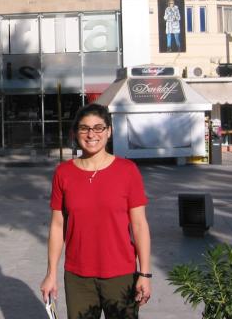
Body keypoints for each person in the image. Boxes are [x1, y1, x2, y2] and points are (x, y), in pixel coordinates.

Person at [40, 103, 151, 319]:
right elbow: (57, 225)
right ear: (75, 133)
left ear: (109, 131)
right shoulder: (63, 173)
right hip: (78, 277)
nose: (91, 134)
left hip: (121, 274)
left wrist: (145, 273)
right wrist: (51, 274)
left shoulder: (127, 171)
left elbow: (139, 225)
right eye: (84, 128)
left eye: (98, 127)